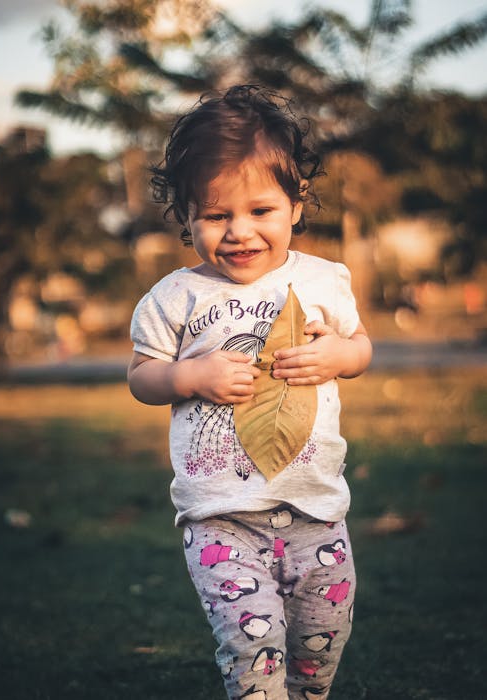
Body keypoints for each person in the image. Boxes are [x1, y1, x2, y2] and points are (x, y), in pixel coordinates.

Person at [128, 85, 372, 700]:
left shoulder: (322, 279)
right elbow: (142, 376)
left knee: (319, 648)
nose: (239, 232)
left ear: (295, 204)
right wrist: (191, 376)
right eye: (215, 216)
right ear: (186, 216)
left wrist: (336, 355)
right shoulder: (175, 296)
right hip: (221, 516)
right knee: (252, 653)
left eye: (259, 211)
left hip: (317, 509)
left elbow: (361, 350)